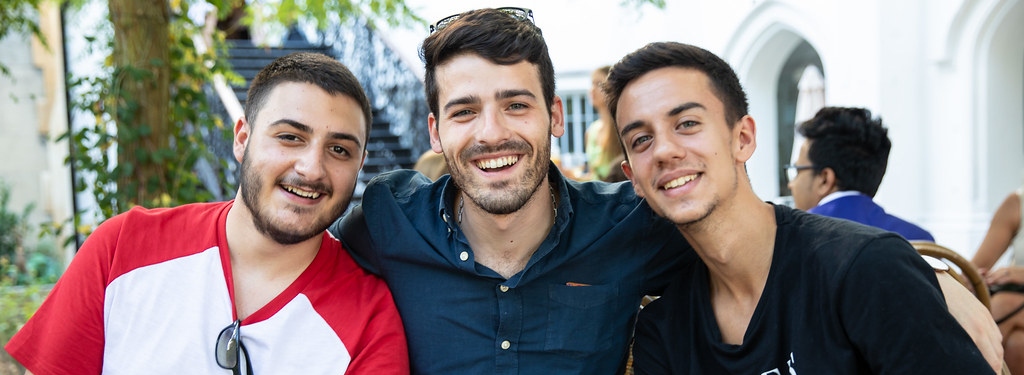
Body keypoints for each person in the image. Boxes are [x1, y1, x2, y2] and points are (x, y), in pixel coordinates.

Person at [329, 7, 1002, 374]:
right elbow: (296, 258)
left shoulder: (634, 223)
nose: (493, 132)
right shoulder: (388, 219)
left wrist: (921, 273)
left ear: (556, 118)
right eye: (466, 110)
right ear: (435, 129)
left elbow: (762, 233)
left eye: (516, 104)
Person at [4, 52, 409, 374]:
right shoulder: (123, 248)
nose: (312, 168)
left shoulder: (370, 322)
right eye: (289, 137)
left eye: (339, 150)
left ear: (359, 166)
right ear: (242, 138)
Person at [604, 41, 993, 373]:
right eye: (641, 140)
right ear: (632, 177)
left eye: (687, 123)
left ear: (743, 138)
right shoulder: (664, 331)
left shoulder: (862, 270)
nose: (665, 150)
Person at [787, 106, 935, 242]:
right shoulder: (920, 239)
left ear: (825, 179)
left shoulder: (792, 236)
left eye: (797, 171)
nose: (790, 184)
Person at [973, 186, 1024, 374]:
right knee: (1017, 344)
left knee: (1002, 304)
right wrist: (985, 278)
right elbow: (972, 273)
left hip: (1010, 304)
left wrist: (1019, 275)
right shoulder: (1016, 204)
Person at [568, 65, 626, 182]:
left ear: (612, 88)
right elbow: (592, 177)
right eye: (591, 84)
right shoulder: (591, 131)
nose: (592, 89)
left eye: (598, 84)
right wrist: (570, 177)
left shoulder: (622, 128)